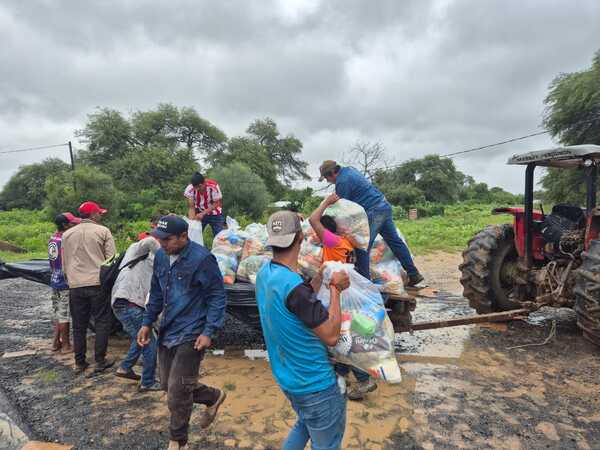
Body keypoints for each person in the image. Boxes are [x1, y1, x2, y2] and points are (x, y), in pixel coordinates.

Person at [256, 210, 351, 450]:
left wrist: (319, 278)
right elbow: (331, 335)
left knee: (306, 424)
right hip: (315, 384)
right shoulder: (294, 287)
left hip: (288, 378)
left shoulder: (266, 274)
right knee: (325, 442)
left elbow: (296, 301)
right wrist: (336, 290)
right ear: (300, 237)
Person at [137, 215, 227, 450]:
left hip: (192, 331)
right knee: (169, 385)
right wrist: (147, 322)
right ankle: (213, 396)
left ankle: (178, 441)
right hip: (167, 329)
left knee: (176, 393)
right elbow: (156, 292)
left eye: (167, 239)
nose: (162, 243)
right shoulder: (161, 257)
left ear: (183, 236)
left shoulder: (202, 259)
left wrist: (209, 331)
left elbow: (217, 296)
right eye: (160, 239)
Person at [308, 195, 378, 401]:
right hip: (346, 290)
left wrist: (326, 203)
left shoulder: (331, 240)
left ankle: (364, 379)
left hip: (337, 293)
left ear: (325, 231)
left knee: (338, 338)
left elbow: (313, 220)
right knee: (341, 335)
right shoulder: (346, 241)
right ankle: (339, 376)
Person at [318, 160, 424, 287]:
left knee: (362, 246)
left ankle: (365, 286)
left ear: (331, 173)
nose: (328, 181)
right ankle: (413, 274)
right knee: (395, 241)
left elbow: (343, 209)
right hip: (383, 206)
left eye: (326, 178)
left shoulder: (342, 182)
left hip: (373, 212)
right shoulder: (350, 170)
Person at [62, 201, 116, 375]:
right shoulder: (103, 231)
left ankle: (80, 363)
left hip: (75, 285)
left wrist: (70, 280)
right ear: (93, 214)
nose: (100, 215)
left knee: (79, 325)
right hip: (97, 283)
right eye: (99, 213)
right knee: (102, 322)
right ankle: (100, 361)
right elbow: (111, 260)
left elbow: (64, 262)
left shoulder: (67, 234)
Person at [112, 235, 161, 392]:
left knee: (140, 337)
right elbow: (150, 241)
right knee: (149, 342)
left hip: (127, 303)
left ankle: (125, 367)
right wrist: (166, 256)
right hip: (128, 303)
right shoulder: (136, 250)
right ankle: (147, 382)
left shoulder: (150, 261)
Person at [48, 212, 81, 353]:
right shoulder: (66, 240)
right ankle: (66, 345)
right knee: (64, 315)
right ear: (65, 225)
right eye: (72, 223)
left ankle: (56, 342)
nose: (74, 225)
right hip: (64, 282)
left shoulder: (53, 237)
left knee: (58, 312)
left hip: (55, 279)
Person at [184, 172, 225, 236]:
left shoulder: (213, 186)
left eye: (199, 187)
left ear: (204, 183)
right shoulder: (190, 189)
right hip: (199, 212)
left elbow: (217, 203)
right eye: (195, 187)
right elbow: (191, 207)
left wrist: (203, 213)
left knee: (219, 235)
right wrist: (191, 223)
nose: (197, 189)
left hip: (215, 213)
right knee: (194, 233)